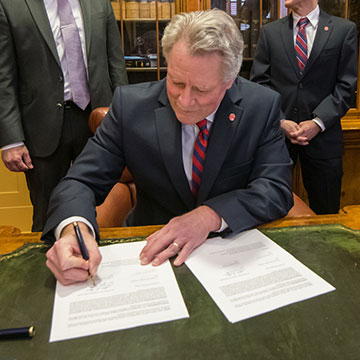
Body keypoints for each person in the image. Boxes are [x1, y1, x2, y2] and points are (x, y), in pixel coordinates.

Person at [43, 9, 293, 286]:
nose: (185, 101)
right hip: (151, 255)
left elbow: (275, 188)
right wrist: (71, 229)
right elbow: (80, 182)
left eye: (200, 89)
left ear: (230, 80)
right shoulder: (131, 107)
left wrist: (210, 216)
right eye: (176, 82)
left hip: (231, 254)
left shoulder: (261, 106)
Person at [0, 0, 128, 232]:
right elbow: (4, 77)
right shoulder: (10, 6)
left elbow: (116, 64)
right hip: (40, 127)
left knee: (105, 207)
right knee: (46, 212)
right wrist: (11, 140)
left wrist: (123, 117)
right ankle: (44, 265)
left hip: (97, 122)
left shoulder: (99, 4)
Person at [250, 0, 358, 214]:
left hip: (324, 140)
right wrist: (280, 121)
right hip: (277, 139)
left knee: (326, 212)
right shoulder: (270, 32)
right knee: (271, 210)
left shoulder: (344, 30)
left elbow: (346, 86)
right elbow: (260, 83)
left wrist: (318, 122)